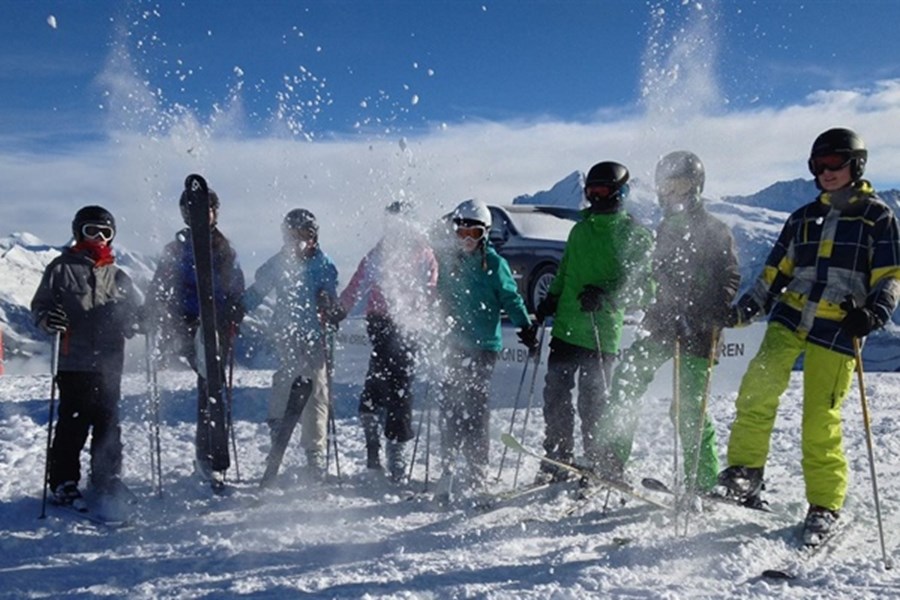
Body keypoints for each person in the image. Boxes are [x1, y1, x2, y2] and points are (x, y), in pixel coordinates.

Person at [717, 128, 900, 543]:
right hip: (790, 315)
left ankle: (824, 504)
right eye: (819, 165)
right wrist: (746, 309)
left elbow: (889, 275)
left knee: (820, 418)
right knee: (757, 390)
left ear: (857, 165)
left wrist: (875, 312)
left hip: (840, 325)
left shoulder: (877, 217)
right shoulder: (801, 217)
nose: (827, 172)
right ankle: (745, 473)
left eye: (836, 163)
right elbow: (772, 274)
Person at [594, 151, 740, 492]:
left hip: (699, 329)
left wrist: (708, 312)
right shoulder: (662, 230)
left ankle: (702, 481)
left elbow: (729, 277)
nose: (672, 193)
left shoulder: (715, 230)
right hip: (663, 323)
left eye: (680, 186)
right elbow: (652, 277)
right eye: (667, 187)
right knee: (628, 379)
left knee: (688, 407)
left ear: (696, 187)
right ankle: (612, 460)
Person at [534, 161, 655, 483]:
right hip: (566, 327)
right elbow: (565, 272)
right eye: (590, 192)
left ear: (621, 193)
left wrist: (608, 295)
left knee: (593, 404)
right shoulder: (580, 230)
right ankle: (558, 458)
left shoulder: (634, 234)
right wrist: (551, 299)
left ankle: (594, 462)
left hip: (601, 333)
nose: (595, 198)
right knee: (555, 397)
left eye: (602, 191)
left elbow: (646, 288)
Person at [32, 205, 141, 512]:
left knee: (108, 421)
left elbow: (131, 314)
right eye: (92, 230)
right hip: (74, 360)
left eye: (105, 233)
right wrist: (47, 319)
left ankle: (106, 477)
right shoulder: (60, 268)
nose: (99, 238)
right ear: (78, 231)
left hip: (109, 362)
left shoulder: (118, 276)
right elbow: (40, 307)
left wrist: (140, 320)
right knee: (73, 423)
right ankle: (64, 481)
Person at [434, 198, 537, 501]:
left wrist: (525, 326)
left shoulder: (494, 264)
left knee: (474, 408)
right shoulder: (449, 262)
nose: (466, 240)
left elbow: (510, 297)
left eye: (474, 234)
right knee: (450, 407)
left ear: (485, 234)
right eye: (461, 233)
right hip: (453, 344)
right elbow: (440, 296)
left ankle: (477, 471)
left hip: (482, 347)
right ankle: (449, 467)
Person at [146, 185, 245, 490]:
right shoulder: (176, 250)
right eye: (194, 211)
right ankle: (208, 455)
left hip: (217, 323)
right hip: (189, 323)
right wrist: (152, 310)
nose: (201, 216)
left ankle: (212, 455)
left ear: (215, 212)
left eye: (207, 210)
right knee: (209, 384)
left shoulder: (224, 248)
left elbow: (235, 284)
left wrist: (235, 308)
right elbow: (161, 284)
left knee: (213, 388)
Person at [335, 200, 438, 482]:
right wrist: (340, 311)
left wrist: (424, 320)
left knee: (391, 384)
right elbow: (358, 283)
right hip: (381, 324)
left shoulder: (423, 254)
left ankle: (389, 451)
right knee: (396, 386)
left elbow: (429, 290)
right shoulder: (381, 252)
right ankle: (385, 450)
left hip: (407, 326)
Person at [242, 209, 339, 486]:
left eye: (305, 235)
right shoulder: (279, 263)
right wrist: (238, 309)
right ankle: (278, 431)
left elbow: (332, 295)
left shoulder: (324, 264)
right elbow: (259, 290)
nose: (299, 242)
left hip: (316, 335)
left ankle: (314, 452)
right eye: (292, 235)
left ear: (314, 237)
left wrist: (328, 305)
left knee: (317, 390)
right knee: (286, 379)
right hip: (287, 332)